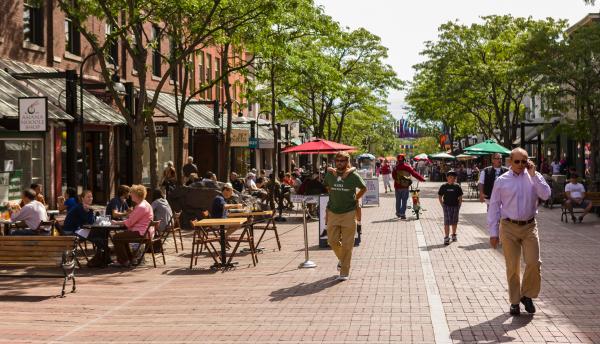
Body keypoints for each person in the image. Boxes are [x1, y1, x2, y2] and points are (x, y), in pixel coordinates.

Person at [488, 148, 551, 315]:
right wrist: (493, 232)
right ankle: (515, 301)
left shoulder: (533, 177)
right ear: (510, 162)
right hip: (508, 227)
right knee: (512, 266)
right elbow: (494, 206)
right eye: (517, 161)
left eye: (524, 161)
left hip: (530, 226)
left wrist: (534, 175)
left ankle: (527, 295)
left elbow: (546, 195)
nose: (521, 164)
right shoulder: (502, 180)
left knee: (533, 263)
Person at [322, 151, 367, 281]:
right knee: (332, 240)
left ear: (347, 162)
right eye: (337, 160)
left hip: (349, 212)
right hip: (333, 212)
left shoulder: (353, 176)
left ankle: (344, 271)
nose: (339, 162)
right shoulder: (330, 174)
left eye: (342, 160)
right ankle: (343, 260)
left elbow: (363, 188)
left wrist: (356, 198)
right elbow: (328, 186)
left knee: (348, 244)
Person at [110, 185, 155, 267]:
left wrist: (115, 223)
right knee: (123, 237)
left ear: (136, 196)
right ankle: (131, 259)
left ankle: (124, 261)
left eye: (132, 193)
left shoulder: (140, 207)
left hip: (141, 233)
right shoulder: (145, 204)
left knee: (116, 237)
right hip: (146, 233)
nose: (130, 195)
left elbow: (129, 222)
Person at [61, 190, 103, 267]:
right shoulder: (79, 208)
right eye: (88, 197)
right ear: (82, 198)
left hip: (77, 230)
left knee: (99, 239)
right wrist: (90, 210)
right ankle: (104, 256)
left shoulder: (84, 207)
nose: (90, 198)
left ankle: (101, 259)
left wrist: (89, 211)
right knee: (100, 233)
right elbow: (90, 222)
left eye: (91, 197)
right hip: (70, 232)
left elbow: (92, 222)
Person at [392, 154, 426, 219]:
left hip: (397, 186)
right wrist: (422, 179)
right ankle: (402, 214)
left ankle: (398, 213)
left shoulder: (395, 167)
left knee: (398, 200)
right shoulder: (408, 167)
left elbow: (394, 177)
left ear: (398, 160)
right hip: (405, 186)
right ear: (404, 159)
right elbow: (414, 174)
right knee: (404, 200)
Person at [438, 170, 463, 245]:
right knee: (447, 221)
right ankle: (446, 236)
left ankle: (454, 234)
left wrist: (459, 205)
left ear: (455, 178)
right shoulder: (443, 186)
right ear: (447, 178)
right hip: (446, 206)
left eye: (453, 177)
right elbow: (440, 196)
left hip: (455, 206)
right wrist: (442, 204)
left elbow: (460, 196)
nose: (452, 179)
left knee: (454, 221)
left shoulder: (457, 187)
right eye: (450, 177)